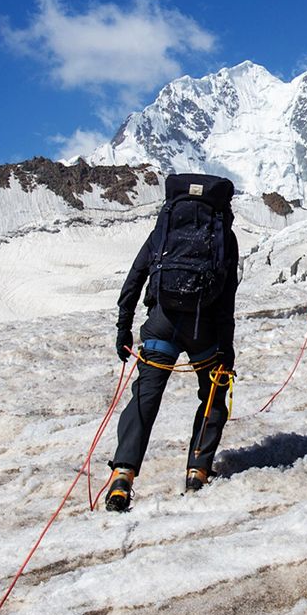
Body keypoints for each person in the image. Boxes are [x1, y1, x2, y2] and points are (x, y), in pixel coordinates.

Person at [105, 174, 239, 512]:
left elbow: (134, 279)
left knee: (145, 397)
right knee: (212, 394)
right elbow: (226, 300)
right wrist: (226, 347)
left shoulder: (162, 232)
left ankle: (123, 475)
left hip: (162, 324)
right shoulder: (225, 236)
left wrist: (124, 328)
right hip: (204, 329)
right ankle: (198, 469)